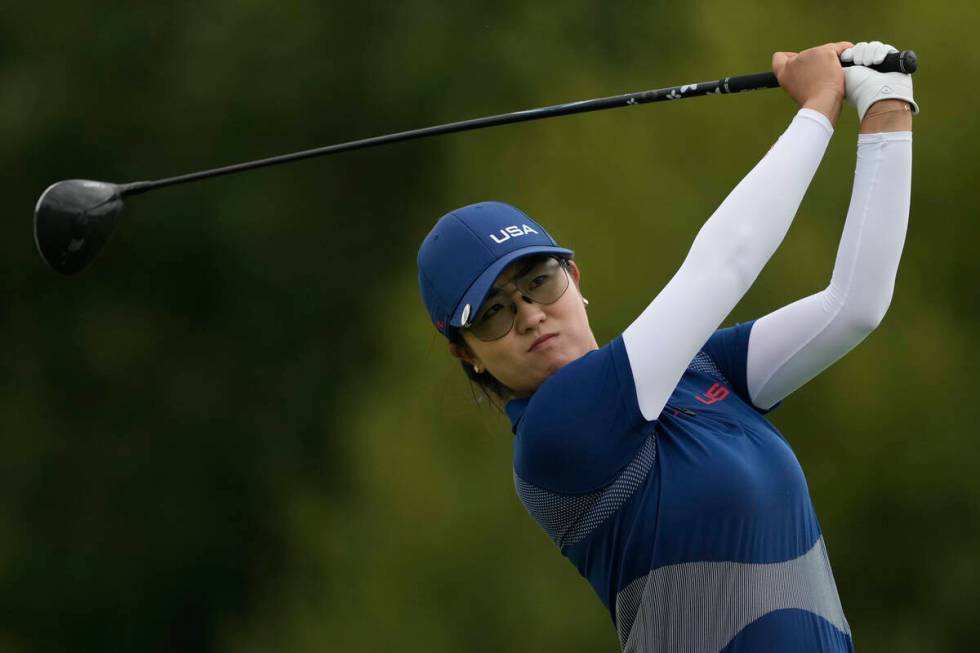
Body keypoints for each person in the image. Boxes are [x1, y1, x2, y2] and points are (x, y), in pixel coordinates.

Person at [416, 41, 915, 652]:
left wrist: (886, 108)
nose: (528, 315)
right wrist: (816, 107)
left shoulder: (698, 370)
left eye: (537, 281)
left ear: (575, 278)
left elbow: (854, 306)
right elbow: (724, 264)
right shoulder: (557, 434)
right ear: (467, 354)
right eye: (492, 313)